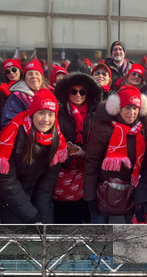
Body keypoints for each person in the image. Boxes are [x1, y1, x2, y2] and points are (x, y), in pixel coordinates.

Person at [0, 88, 68, 223]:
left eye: (51, 114)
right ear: (32, 113)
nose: (45, 120)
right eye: (41, 113)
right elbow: (6, 181)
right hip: (8, 199)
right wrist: (32, 215)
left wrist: (42, 218)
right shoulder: (13, 134)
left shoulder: (57, 139)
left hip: (34, 194)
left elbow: (46, 185)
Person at [83, 85, 147, 223]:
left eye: (135, 108)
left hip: (134, 190)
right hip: (104, 191)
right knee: (100, 235)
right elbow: (92, 163)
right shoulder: (103, 127)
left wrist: (144, 196)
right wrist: (90, 197)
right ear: (117, 108)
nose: (131, 113)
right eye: (127, 107)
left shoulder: (143, 127)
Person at [53, 72, 102, 223]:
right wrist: (69, 156)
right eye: (74, 91)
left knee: (85, 216)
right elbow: (55, 136)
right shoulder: (59, 112)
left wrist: (85, 151)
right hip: (64, 168)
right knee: (64, 217)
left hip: (87, 170)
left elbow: (99, 137)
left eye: (82, 91)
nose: (78, 95)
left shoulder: (96, 113)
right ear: (67, 93)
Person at [2, 59, 50, 127]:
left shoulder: (51, 93)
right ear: (24, 78)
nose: (34, 76)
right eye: (30, 74)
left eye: (37, 73)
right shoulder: (15, 97)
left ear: (42, 77)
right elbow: (8, 124)